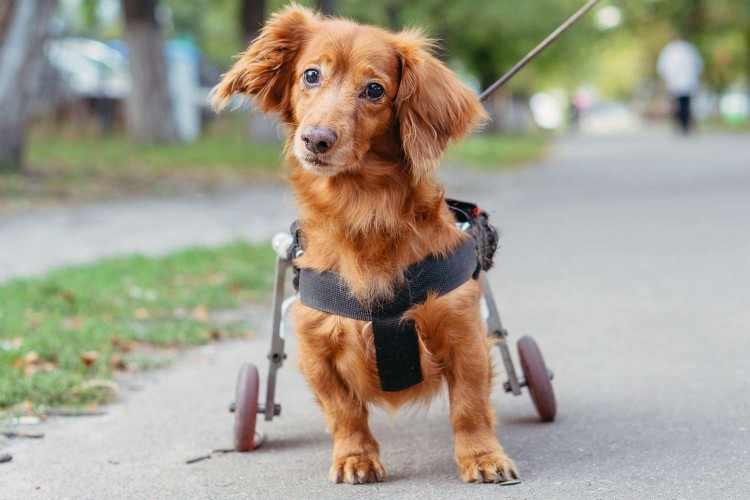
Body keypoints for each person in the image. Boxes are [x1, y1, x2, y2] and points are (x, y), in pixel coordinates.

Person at [657, 37, 704, 134]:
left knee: (680, 105)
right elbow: (698, 65)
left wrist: (665, 81)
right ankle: (684, 125)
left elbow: (663, 67)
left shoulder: (670, 50)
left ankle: (683, 125)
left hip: (679, 82)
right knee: (684, 105)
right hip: (682, 82)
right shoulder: (689, 49)